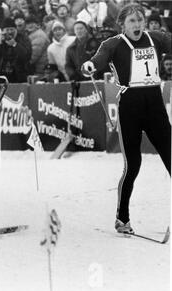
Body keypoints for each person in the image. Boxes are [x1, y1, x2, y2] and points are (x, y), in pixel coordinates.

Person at [81, 3, 172, 234]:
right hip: (130, 107)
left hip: (155, 106)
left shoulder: (156, 38)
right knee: (133, 166)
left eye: (140, 20)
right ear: (122, 24)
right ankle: (122, 218)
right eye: (132, 21)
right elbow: (99, 58)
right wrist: (91, 65)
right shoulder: (114, 43)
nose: (138, 24)